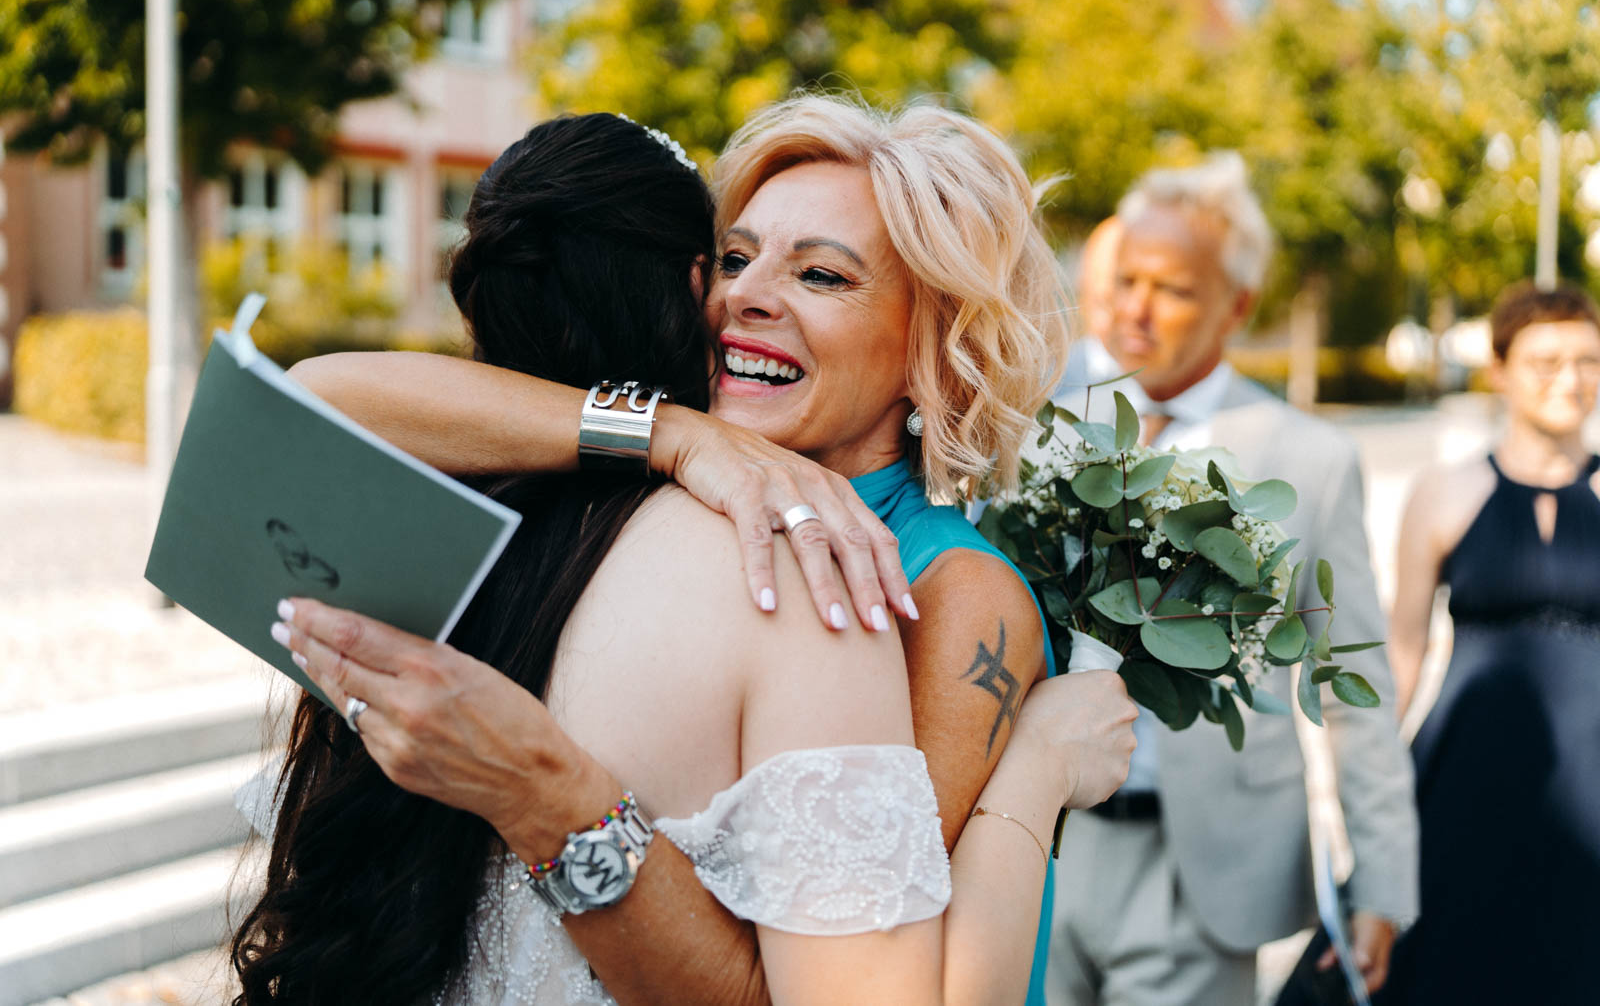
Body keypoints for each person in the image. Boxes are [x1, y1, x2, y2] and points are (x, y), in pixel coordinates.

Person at [239, 98, 1131, 1002]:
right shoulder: (654, 493)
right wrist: (670, 432)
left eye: (822, 275)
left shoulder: (948, 590)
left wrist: (1037, 768)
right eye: (734, 259)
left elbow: (898, 979)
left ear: (931, 349)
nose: (745, 294)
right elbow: (301, 404)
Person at [1046, 153, 1419, 1005]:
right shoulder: (1038, 415)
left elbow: (1352, 679)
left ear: (1238, 306)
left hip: (1204, 872)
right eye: (1126, 279)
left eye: (1172, 289)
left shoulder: (1310, 459)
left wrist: (1383, 880)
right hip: (1037, 840)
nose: (1136, 308)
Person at [1377, 281, 1600, 1005]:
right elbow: (1404, 650)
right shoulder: (1444, 491)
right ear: (1499, 371)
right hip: (1464, 776)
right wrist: (1367, 779)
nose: (1571, 379)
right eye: (1546, 362)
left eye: (1588, 361)